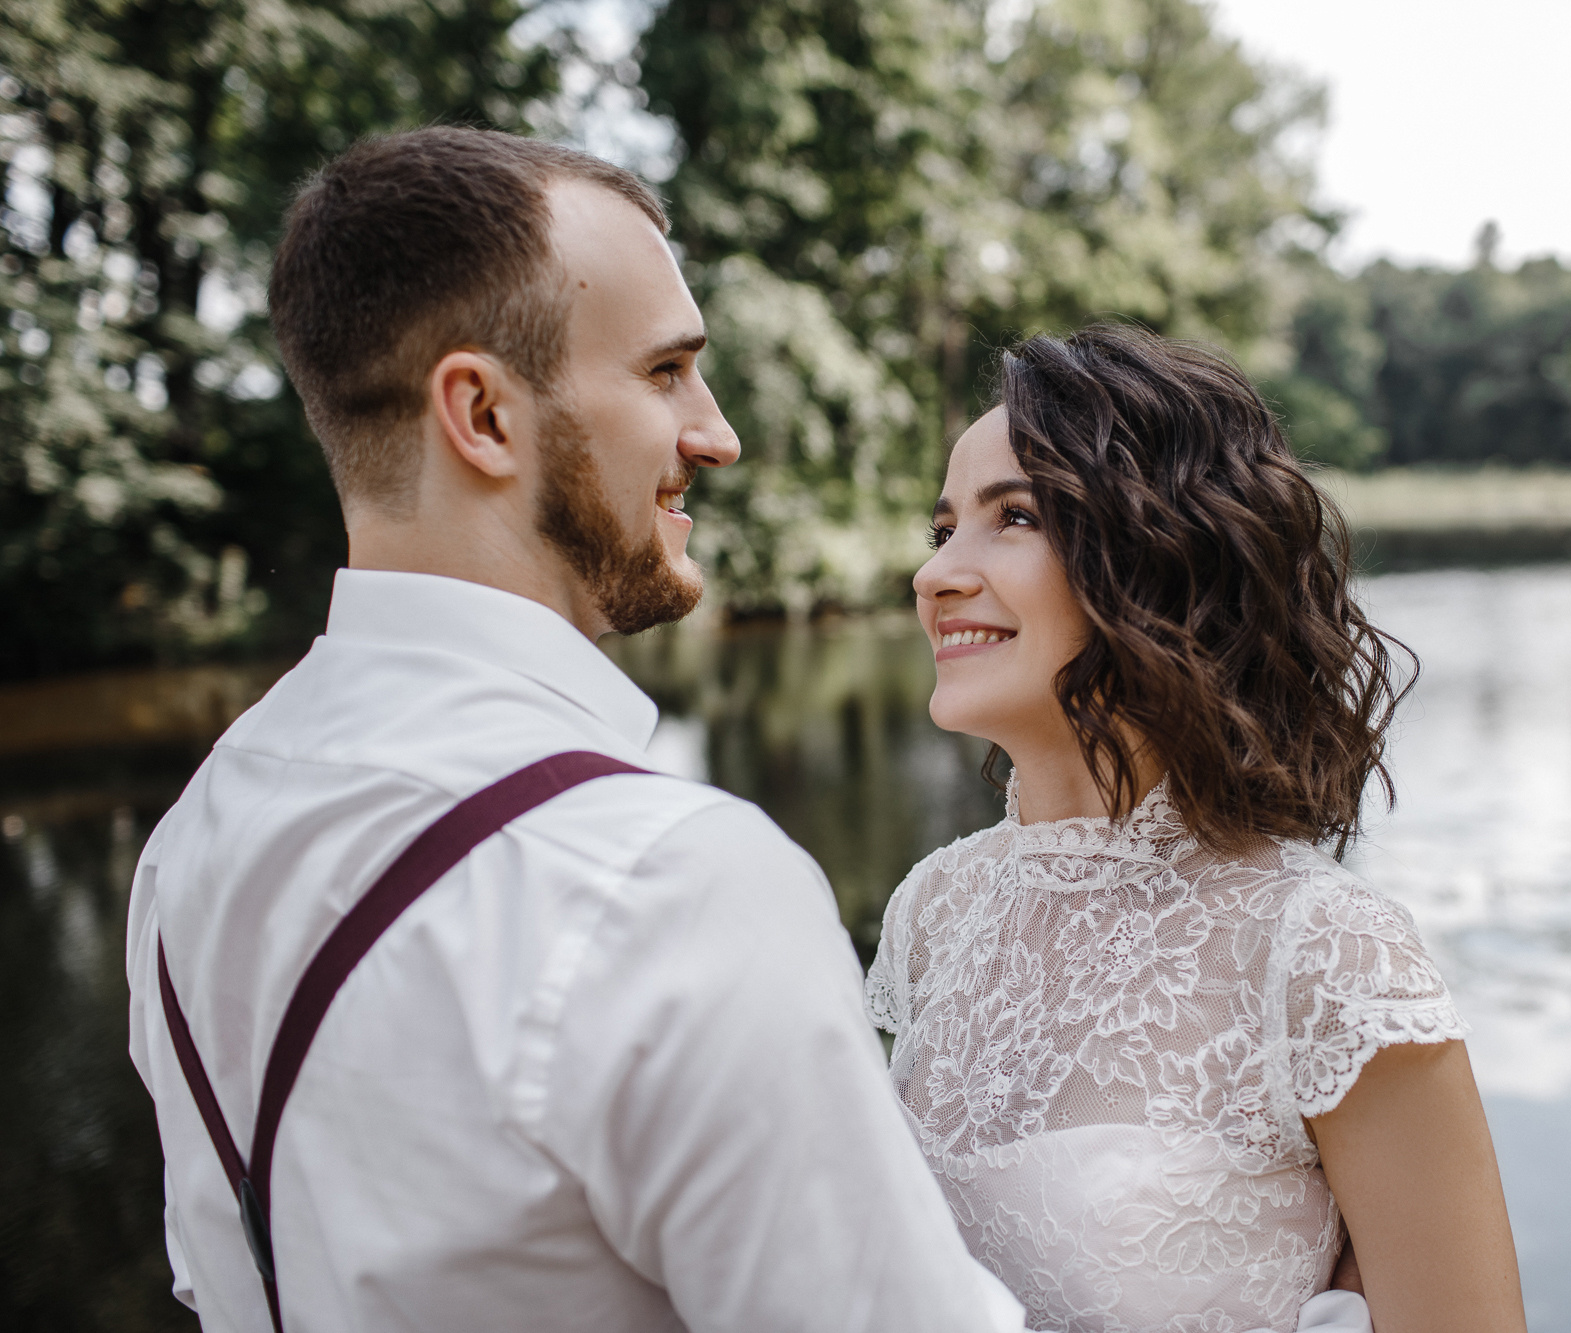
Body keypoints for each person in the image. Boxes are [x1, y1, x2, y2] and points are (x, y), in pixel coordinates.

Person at [125, 127, 1030, 1333]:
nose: (717, 435)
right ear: (484, 415)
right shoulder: (669, 880)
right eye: (665, 373)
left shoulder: (193, 843)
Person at [864, 325, 1529, 1333]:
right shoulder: (930, 913)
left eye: (1014, 517)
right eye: (941, 527)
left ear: (1159, 555)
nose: (936, 575)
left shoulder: (1322, 951)